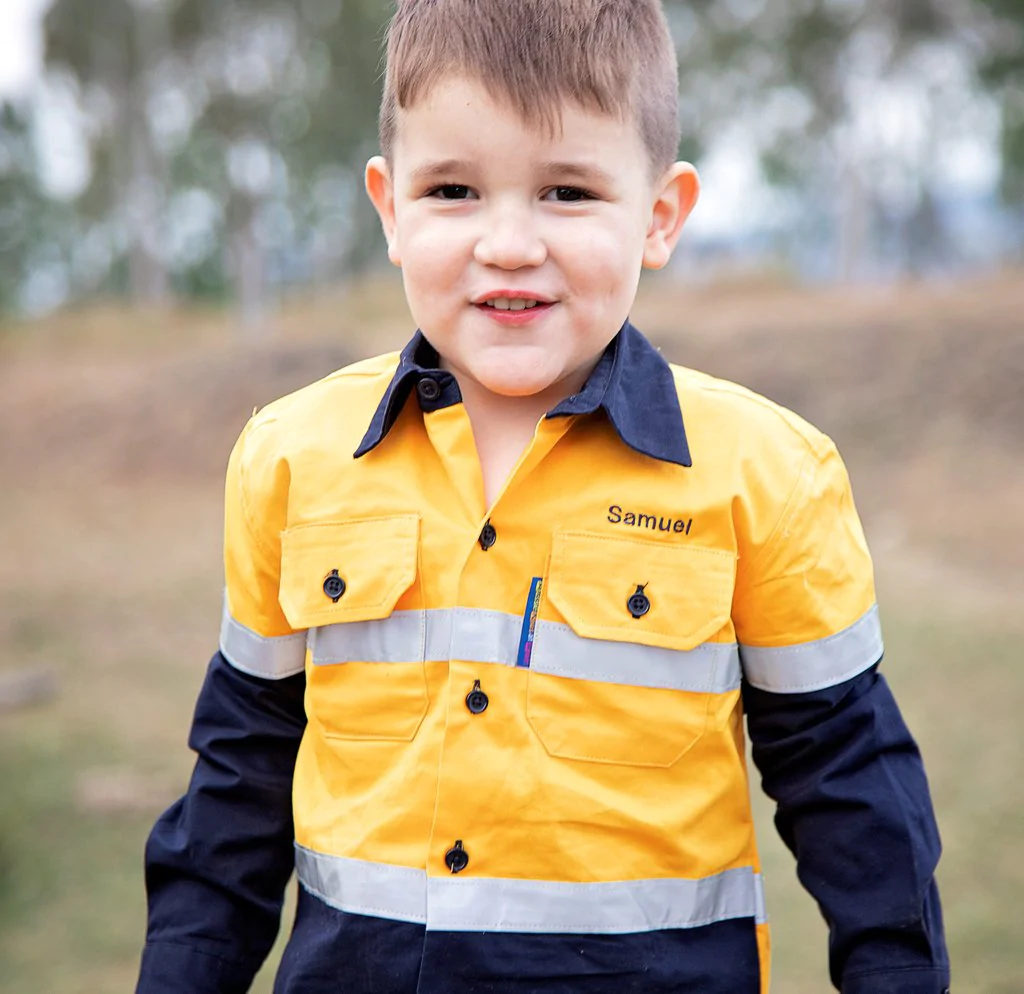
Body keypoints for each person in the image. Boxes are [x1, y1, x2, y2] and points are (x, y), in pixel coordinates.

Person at [135, 1, 950, 992]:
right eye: (453, 190)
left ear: (658, 216)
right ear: (390, 210)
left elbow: (853, 790)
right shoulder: (288, 457)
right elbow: (235, 788)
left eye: (565, 191)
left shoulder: (768, 473)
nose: (509, 243)